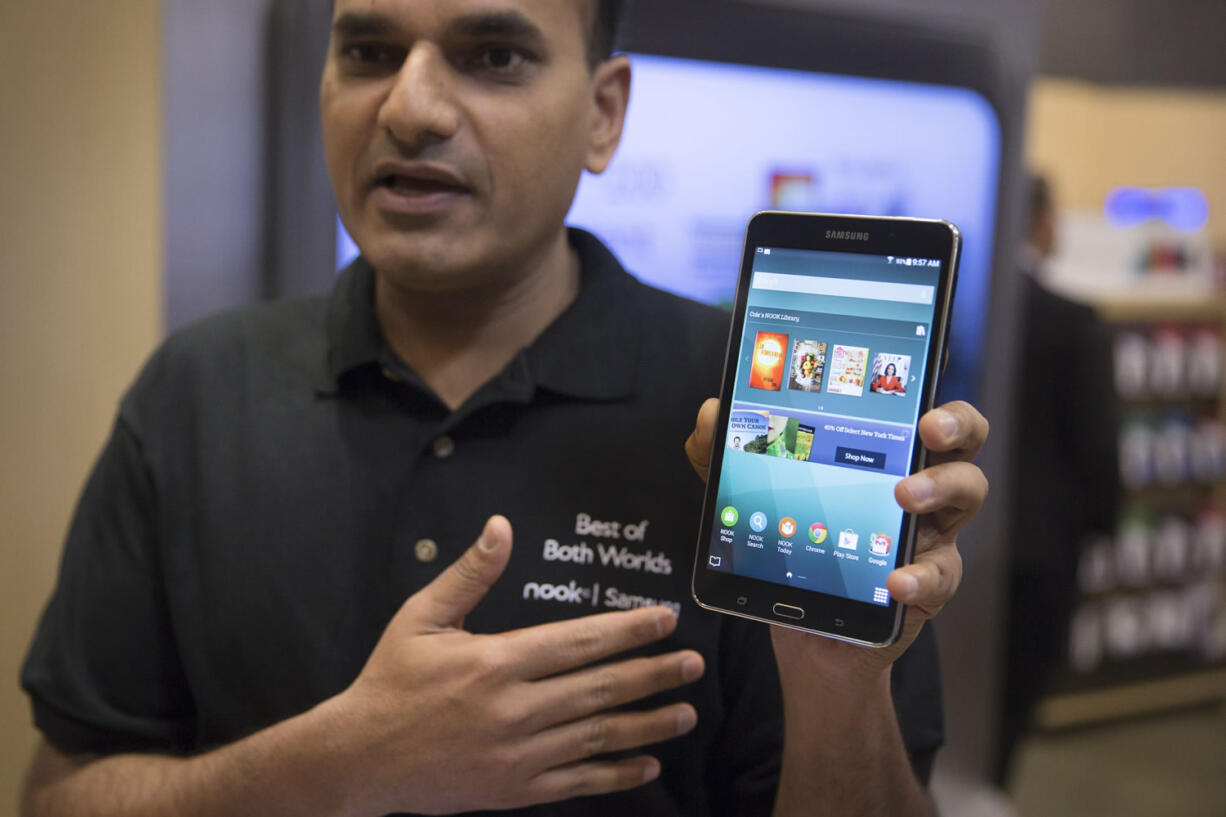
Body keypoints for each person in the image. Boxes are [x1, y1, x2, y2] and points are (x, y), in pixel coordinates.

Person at [20, 2, 989, 815]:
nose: (409, 107)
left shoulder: (732, 414)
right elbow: (61, 793)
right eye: (368, 52)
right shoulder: (195, 389)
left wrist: (834, 685)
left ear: (603, 115)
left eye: (493, 57)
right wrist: (341, 763)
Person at [995, 173, 1117, 783]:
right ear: (1040, 221)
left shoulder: (966, 305)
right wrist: (1105, 527)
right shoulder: (1072, 321)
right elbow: (1097, 446)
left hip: (952, 538)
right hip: (1041, 552)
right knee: (1012, 709)